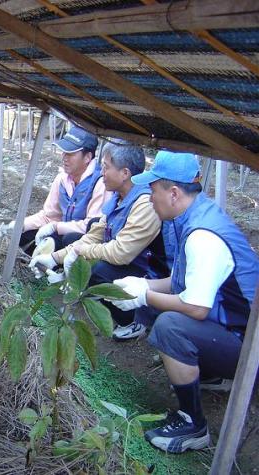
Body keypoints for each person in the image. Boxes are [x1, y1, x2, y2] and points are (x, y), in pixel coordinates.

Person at [108, 152, 258, 453]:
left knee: (170, 326)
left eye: (153, 190)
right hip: (236, 329)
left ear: (173, 193)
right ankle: (214, 373)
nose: (149, 197)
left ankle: (194, 425)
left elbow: (196, 306)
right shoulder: (191, 217)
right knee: (160, 308)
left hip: (251, 347)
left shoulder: (202, 235)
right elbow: (180, 283)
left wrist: (144, 295)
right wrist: (142, 285)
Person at [29, 141, 170, 339]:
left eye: (105, 167)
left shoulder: (144, 204)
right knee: (76, 240)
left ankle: (134, 319)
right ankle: (99, 294)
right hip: (127, 261)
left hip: (147, 273)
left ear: (125, 173)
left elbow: (120, 253)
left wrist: (78, 253)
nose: (101, 172)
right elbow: (96, 234)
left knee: (98, 270)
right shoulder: (119, 196)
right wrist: (55, 257)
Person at [0, 125, 109, 255]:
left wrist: (56, 227)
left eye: (71, 153)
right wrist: (19, 225)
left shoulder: (100, 183)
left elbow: (92, 228)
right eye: (64, 152)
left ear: (87, 157)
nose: (64, 157)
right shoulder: (62, 179)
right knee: (22, 235)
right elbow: (49, 216)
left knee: (68, 239)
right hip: (62, 231)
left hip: (83, 241)